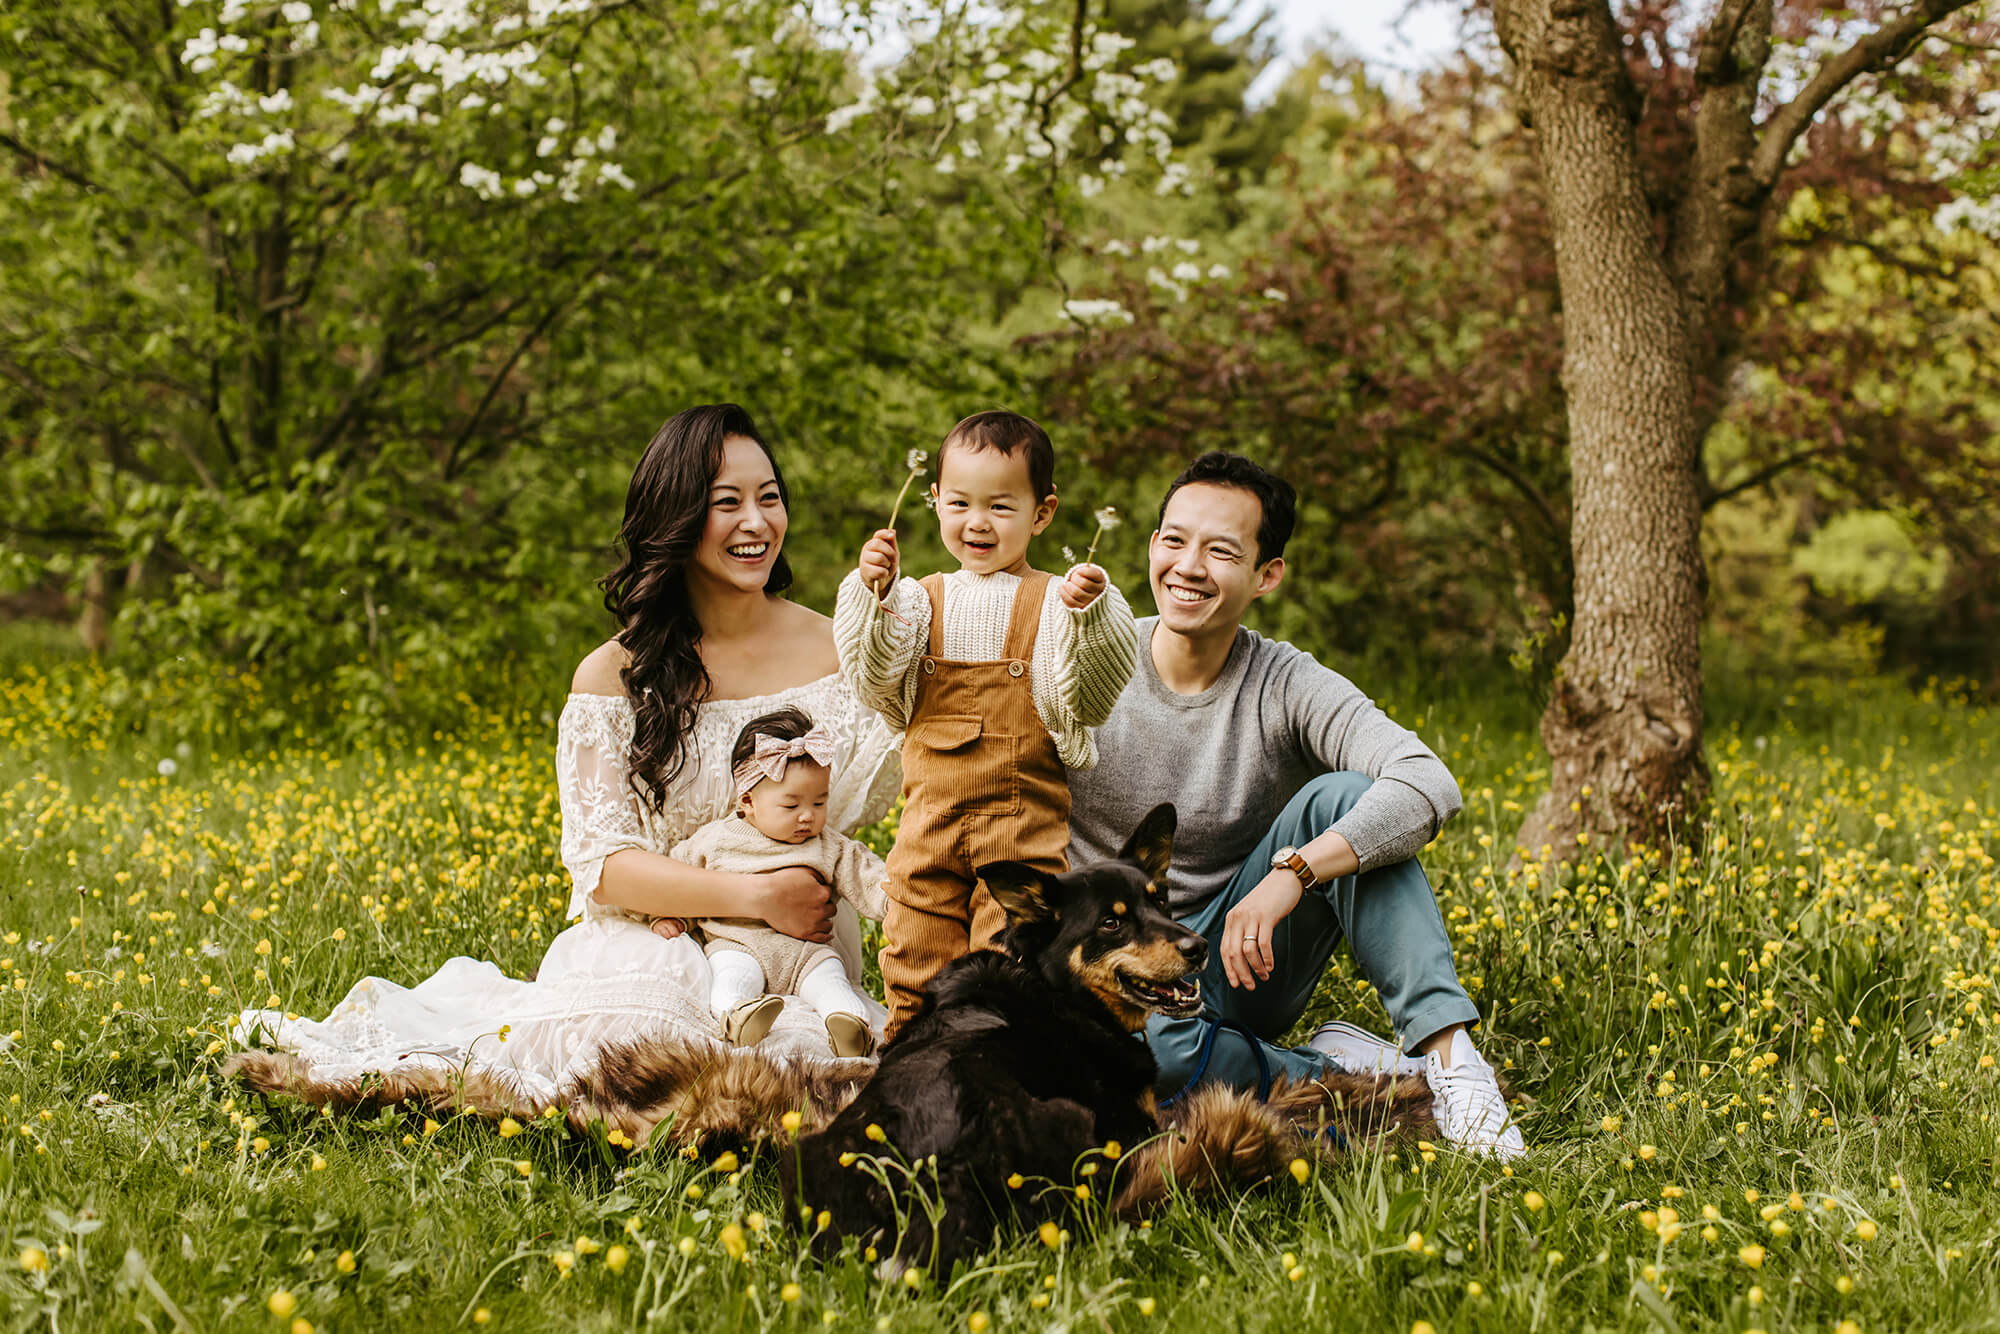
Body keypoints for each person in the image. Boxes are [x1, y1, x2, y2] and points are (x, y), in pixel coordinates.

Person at [230, 403, 901, 1108]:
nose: (757, 522)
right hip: (657, 937)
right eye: (725, 503)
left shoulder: (840, 653)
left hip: (799, 951)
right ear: (674, 519)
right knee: (642, 1051)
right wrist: (759, 895)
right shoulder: (611, 677)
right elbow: (605, 867)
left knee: (820, 1067)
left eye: (769, 498)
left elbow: (928, 747)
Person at [1064, 452, 1523, 1157]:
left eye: (1221, 551)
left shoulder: (1283, 681)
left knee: (1349, 800)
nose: (1188, 566)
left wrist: (1293, 874)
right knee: (1155, 1061)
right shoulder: (1082, 658)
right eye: (1173, 539)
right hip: (1113, 968)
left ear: (1266, 574)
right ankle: (1342, 1071)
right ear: (1152, 545)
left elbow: (1427, 781)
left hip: (1240, 958)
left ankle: (1455, 1063)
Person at [835, 410, 1138, 1033]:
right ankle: (909, 1046)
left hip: (1021, 831)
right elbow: (874, 677)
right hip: (929, 825)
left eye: (1001, 506)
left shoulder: (1056, 601)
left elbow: (1091, 691)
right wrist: (873, 596)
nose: (978, 522)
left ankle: (1000, 1054)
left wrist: (1092, 612)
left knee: (1011, 953)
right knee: (914, 936)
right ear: (935, 501)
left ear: (1042, 513)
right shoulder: (919, 600)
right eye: (960, 503)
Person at [657, 706, 890, 1058]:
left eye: (819, 801)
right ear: (748, 802)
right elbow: (681, 880)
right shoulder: (717, 840)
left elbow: (865, 874)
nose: (808, 815)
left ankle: (848, 1023)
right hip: (739, 943)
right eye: (791, 805)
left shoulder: (827, 844)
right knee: (730, 977)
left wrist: (893, 901)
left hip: (807, 952)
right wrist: (672, 916)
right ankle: (738, 1015)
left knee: (831, 980)